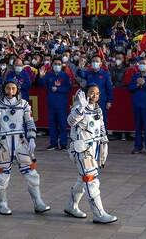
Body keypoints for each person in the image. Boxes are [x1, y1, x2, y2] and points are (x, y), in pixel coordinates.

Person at [0, 80, 51, 215]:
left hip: (20, 142)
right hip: (4, 143)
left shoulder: (24, 104)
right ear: (3, 89)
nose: (10, 91)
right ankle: (2, 204)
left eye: (13, 89)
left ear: (17, 90)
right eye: (8, 88)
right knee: (2, 175)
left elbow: (29, 121)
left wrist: (32, 138)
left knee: (31, 173)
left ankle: (38, 202)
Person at [65, 85, 117, 224]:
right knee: (91, 180)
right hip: (82, 149)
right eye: (92, 93)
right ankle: (98, 213)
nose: (95, 95)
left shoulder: (98, 109)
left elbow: (101, 128)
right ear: (85, 94)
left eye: (97, 93)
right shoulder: (78, 107)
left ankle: (71, 206)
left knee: (83, 179)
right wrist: (81, 108)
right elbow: (70, 121)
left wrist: (105, 144)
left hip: (95, 148)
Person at [38, 57, 72, 150]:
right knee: (52, 124)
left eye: (59, 64)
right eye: (55, 64)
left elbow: (69, 88)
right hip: (51, 104)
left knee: (62, 125)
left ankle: (63, 144)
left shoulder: (65, 76)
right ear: (52, 65)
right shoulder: (49, 76)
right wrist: (41, 77)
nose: (57, 66)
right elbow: (41, 84)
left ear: (62, 66)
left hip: (61, 104)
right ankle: (53, 143)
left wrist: (58, 89)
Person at [128, 58, 146, 154]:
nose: (141, 65)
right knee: (138, 127)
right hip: (137, 105)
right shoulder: (135, 76)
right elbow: (129, 88)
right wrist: (137, 85)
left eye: (144, 64)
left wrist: (144, 84)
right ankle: (138, 146)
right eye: (140, 64)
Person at [77, 54, 113, 129]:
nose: (95, 63)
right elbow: (81, 74)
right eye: (93, 61)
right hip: (90, 100)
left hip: (101, 100)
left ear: (100, 64)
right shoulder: (88, 73)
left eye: (97, 61)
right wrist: (80, 68)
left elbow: (109, 88)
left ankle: (102, 138)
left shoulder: (105, 74)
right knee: (90, 119)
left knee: (101, 120)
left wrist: (109, 101)